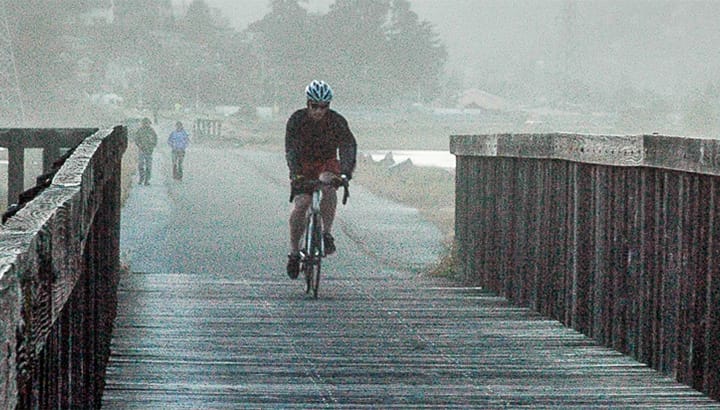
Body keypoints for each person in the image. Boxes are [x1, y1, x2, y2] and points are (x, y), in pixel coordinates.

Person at [285, 80, 357, 279]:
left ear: (328, 106)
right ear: (308, 104)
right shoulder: (297, 120)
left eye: (323, 107)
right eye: (314, 106)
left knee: (328, 184)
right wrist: (295, 174)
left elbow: (348, 146)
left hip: (326, 162)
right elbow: (290, 149)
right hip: (303, 164)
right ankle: (293, 252)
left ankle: (326, 233)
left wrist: (345, 173)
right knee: (302, 204)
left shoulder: (337, 121)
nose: (318, 111)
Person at [134, 117, 158, 185]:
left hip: (149, 151)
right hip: (141, 150)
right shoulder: (140, 130)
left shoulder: (152, 131)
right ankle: (141, 178)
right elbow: (136, 139)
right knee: (140, 165)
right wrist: (139, 145)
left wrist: (152, 146)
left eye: (147, 123)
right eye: (144, 123)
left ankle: (147, 180)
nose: (146, 124)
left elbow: (155, 139)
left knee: (148, 166)